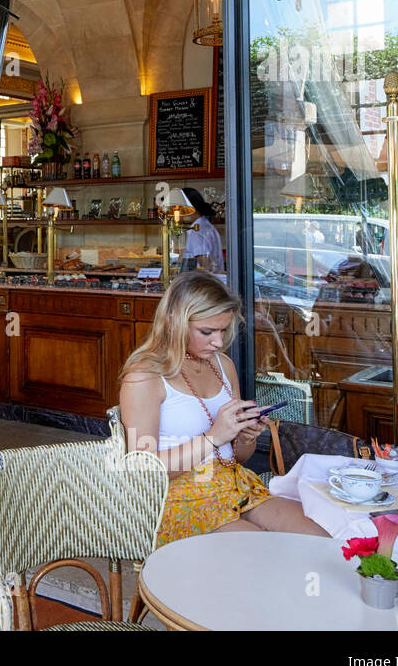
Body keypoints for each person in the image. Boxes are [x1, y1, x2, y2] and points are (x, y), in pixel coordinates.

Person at [119, 271, 327, 546]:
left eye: (223, 330)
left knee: (320, 540)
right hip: (176, 499)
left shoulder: (223, 366)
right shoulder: (145, 377)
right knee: (270, 552)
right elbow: (143, 471)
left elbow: (237, 458)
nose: (218, 342)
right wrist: (214, 436)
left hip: (233, 484)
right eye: (207, 332)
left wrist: (244, 436)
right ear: (174, 322)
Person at [178, 188, 223, 274]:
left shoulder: (196, 232)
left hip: (201, 284)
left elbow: (206, 267)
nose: (179, 213)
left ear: (192, 208)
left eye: (181, 208)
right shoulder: (206, 226)